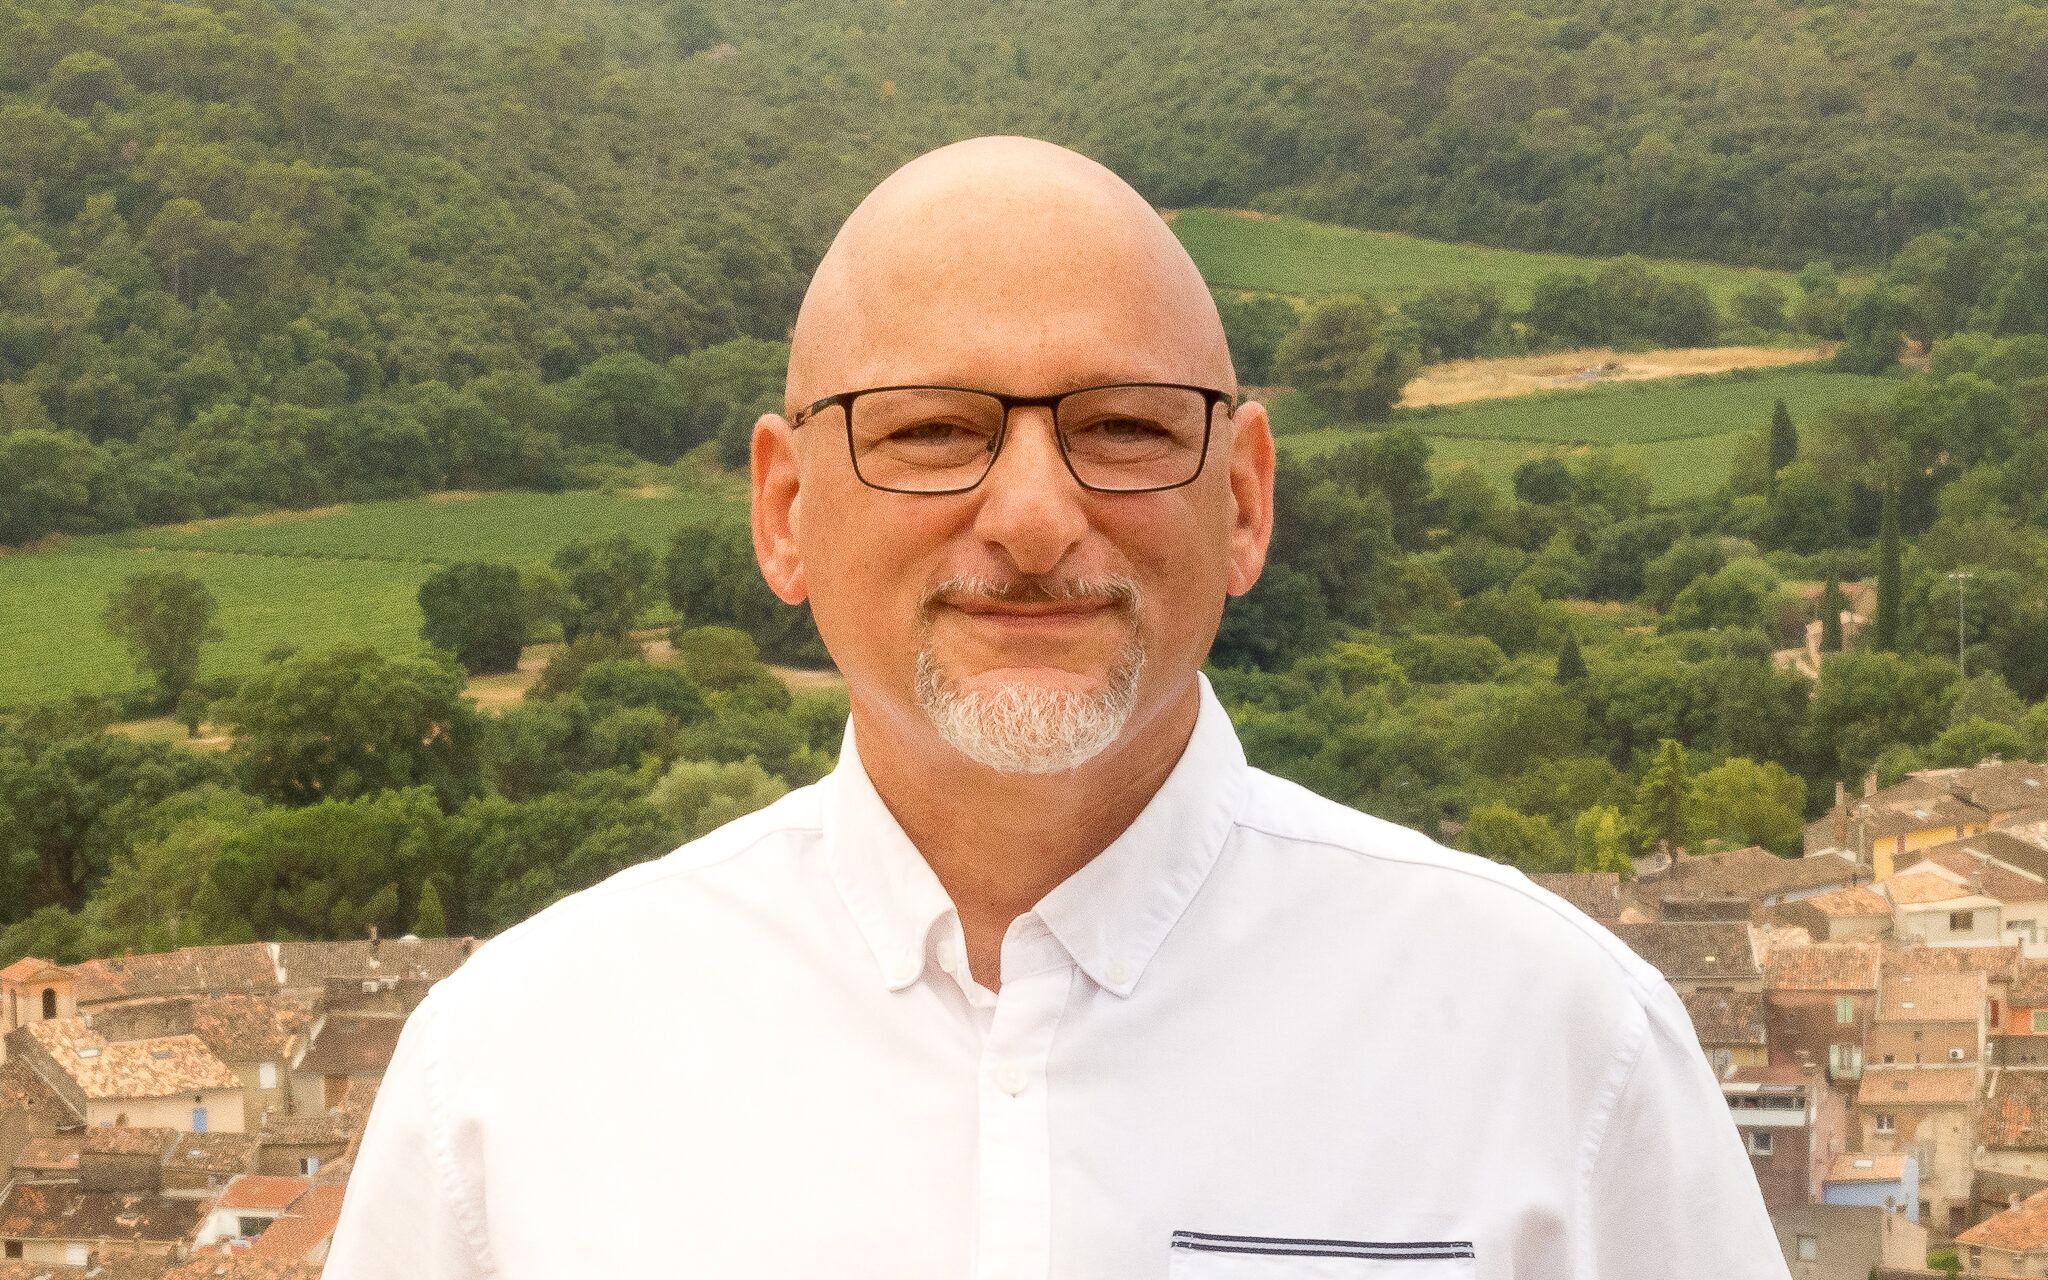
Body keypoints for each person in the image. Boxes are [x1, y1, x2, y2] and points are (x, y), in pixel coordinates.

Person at [325, 137, 1787, 1279]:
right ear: (783, 509)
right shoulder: (506, 1085)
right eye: (931, 430)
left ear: (1246, 500)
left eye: (1125, 426)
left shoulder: (1565, 1050)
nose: (1032, 517)